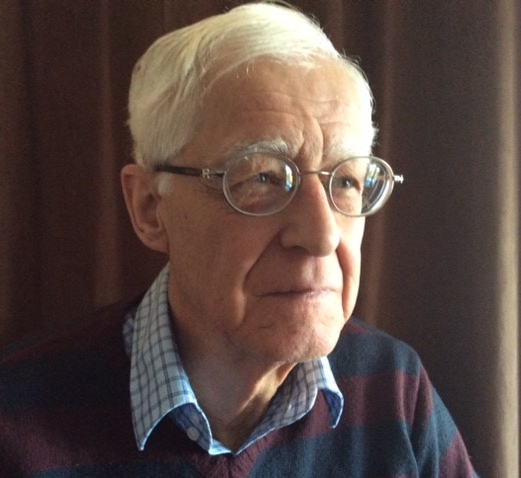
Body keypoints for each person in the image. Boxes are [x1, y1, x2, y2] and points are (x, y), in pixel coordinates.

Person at [0, 2, 478, 477]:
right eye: (263, 179)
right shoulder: (16, 422)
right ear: (149, 207)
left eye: (348, 181)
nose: (322, 234)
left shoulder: (392, 388)